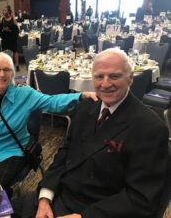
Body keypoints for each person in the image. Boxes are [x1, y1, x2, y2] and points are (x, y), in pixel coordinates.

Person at [12, 48, 169, 218]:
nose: (105, 84)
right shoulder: (85, 108)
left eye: (114, 76)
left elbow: (141, 198)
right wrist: (45, 197)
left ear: (130, 78)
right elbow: (64, 155)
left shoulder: (150, 128)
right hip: (58, 196)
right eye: (99, 76)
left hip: (97, 210)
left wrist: (83, 217)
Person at [0, 52, 97, 197]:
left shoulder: (24, 94)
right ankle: (5, 192)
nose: (1, 74)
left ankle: (3, 197)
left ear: (12, 73)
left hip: (15, 150)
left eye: (6, 69)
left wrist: (80, 96)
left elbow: (52, 102)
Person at [0, 5, 20, 71]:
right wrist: (3, 30)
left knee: (15, 51)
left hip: (12, 37)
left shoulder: (13, 19)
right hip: (5, 38)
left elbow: (17, 29)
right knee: (5, 52)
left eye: (5, 10)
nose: (4, 11)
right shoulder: (2, 19)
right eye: (3, 10)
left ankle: (17, 65)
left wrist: (10, 30)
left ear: (8, 11)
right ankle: (6, 65)